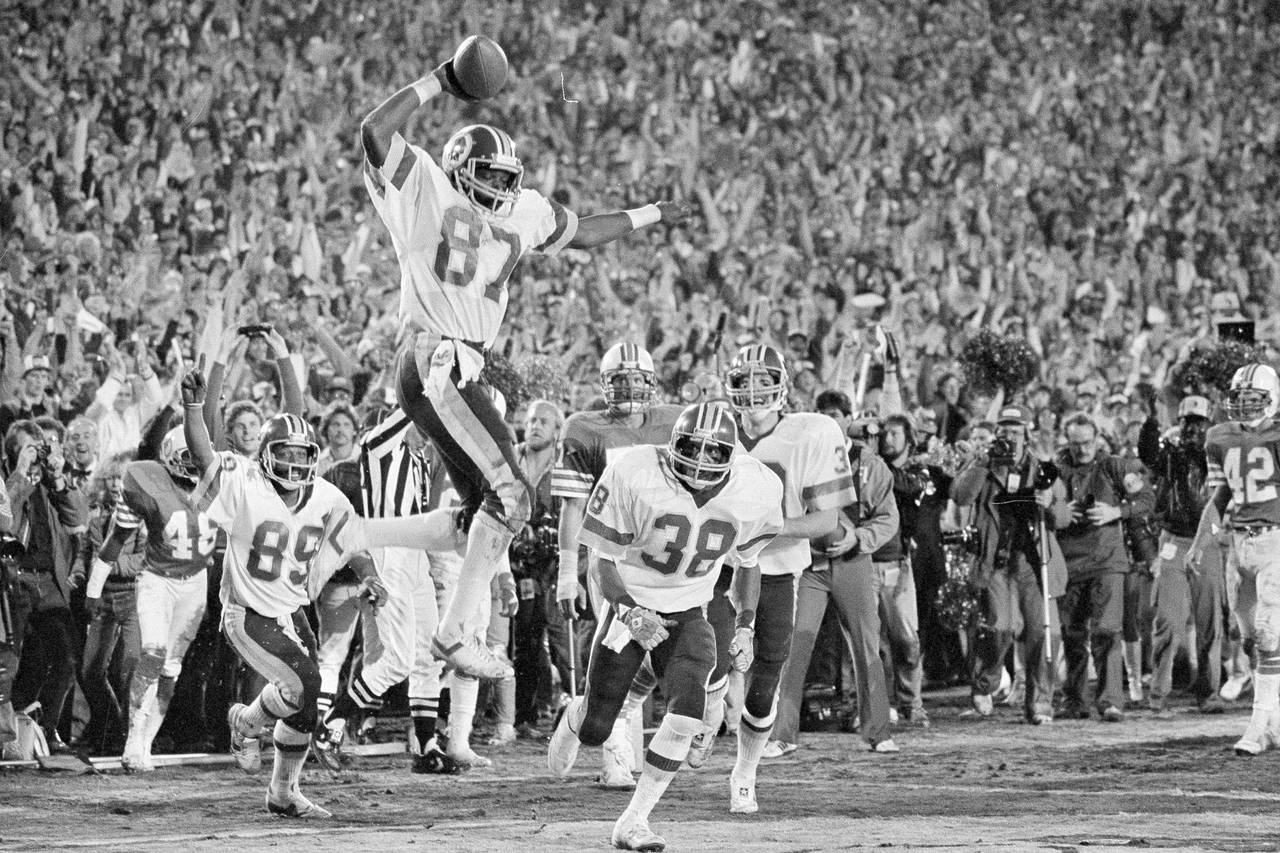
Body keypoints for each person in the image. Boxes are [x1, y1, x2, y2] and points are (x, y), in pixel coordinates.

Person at [359, 42, 690, 680]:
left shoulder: (524, 209)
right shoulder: (424, 184)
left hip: (455, 364)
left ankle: (354, 538)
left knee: (477, 510)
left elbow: (586, 231)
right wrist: (440, 80)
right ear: (460, 168)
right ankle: (455, 634)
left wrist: (652, 213)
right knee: (512, 494)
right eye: (489, 174)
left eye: (508, 178)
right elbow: (374, 129)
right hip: (438, 357)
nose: (500, 187)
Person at [178, 364, 463, 819]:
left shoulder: (327, 495)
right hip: (248, 611)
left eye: (301, 453)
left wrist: (368, 574)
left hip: (292, 611)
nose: (295, 463)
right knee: (304, 683)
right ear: (267, 455)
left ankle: (282, 793)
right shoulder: (244, 481)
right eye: (285, 453)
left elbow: (352, 540)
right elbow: (203, 455)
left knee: (306, 707)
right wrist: (194, 408)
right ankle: (246, 721)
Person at [547, 402, 782, 850]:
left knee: (685, 712)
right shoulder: (634, 469)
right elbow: (602, 560)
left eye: (713, 454)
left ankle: (633, 821)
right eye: (691, 448)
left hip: (690, 607)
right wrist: (631, 612)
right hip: (629, 603)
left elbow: (748, 561)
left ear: (733, 456)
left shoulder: (756, 487)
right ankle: (576, 715)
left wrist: (747, 626)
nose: (700, 462)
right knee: (599, 726)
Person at [708, 345, 855, 813]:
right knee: (708, 654)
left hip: (776, 569)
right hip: (718, 566)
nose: (752, 390)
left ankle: (745, 772)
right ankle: (706, 715)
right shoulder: (713, 430)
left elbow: (827, 520)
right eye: (743, 380)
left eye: (761, 378)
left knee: (767, 676)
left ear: (782, 383)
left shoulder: (810, 432)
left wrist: (769, 528)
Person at [551, 342, 684, 787]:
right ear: (604, 385)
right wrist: (567, 573)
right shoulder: (584, 428)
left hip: (663, 560)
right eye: (619, 379)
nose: (628, 387)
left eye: (636, 378)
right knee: (617, 648)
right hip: (610, 556)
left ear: (652, 382)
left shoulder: (673, 422)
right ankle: (613, 756)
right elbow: (572, 506)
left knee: (657, 651)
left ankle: (602, 714)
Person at [772, 393, 900, 756]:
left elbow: (888, 517)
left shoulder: (868, 465)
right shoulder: (799, 457)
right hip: (809, 564)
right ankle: (783, 733)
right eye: (821, 416)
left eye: (835, 417)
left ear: (847, 420)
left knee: (866, 646)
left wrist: (858, 539)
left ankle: (878, 731)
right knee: (794, 645)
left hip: (852, 562)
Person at [83, 428, 216, 771]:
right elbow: (115, 540)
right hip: (157, 581)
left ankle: (145, 744)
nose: (195, 463)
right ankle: (131, 741)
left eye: (198, 455)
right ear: (170, 457)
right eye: (187, 456)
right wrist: (93, 588)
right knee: (152, 655)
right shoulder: (146, 482)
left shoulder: (221, 484)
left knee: (171, 669)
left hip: (195, 584)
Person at [950, 404, 1071, 723]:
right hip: (996, 560)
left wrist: (1049, 504)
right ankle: (985, 681)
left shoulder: (1042, 468)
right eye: (1004, 432)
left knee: (1044, 631)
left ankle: (1040, 702)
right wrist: (982, 462)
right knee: (998, 627)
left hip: (1034, 560)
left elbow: (1064, 516)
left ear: (1027, 435)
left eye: (1016, 432)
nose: (1009, 438)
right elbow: (961, 496)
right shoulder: (984, 464)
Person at [1192, 365, 1280, 755]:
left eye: (1253, 399)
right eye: (1239, 398)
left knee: (1268, 634)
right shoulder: (1218, 437)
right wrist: (1200, 542)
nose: (1244, 406)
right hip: (1238, 546)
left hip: (1276, 540)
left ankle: (1256, 727)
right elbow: (1220, 496)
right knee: (1247, 642)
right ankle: (1274, 723)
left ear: (1272, 398)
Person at [1055, 411, 1153, 722]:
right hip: (1068, 564)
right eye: (1075, 443)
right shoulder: (1056, 471)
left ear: (1098, 439)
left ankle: (1111, 701)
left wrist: (1116, 512)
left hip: (1107, 562)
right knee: (1071, 635)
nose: (1081, 449)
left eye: (1087, 442)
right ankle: (1074, 701)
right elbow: (1039, 506)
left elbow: (1148, 499)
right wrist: (1062, 511)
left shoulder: (1115, 466)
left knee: (1108, 632)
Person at [1140, 395, 1226, 714]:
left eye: (1198, 423)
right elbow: (1149, 455)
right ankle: (1158, 694)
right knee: (1168, 620)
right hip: (1174, 540)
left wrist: (1198, 448)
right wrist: (1151, 421)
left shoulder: (1217, 453)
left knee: (1209, 623)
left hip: (1206, 542)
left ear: (1208, 425)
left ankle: (1209, 692)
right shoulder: (1171, 454)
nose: (1191, 429)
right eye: (1187, 422)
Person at [5, 419, 87, 750]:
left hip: (48, 584)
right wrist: (20, 476)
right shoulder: (6, 480)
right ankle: (13, 732)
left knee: (66, 658)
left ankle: (46, 729)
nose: (36, 455)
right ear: (11, 452)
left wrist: (56, 477)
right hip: (14, 581)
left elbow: (78, 518)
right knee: (11, 664)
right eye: (28, 448)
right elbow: (4, 516)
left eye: (39, 448)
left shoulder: (47, 484)